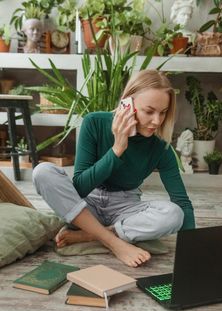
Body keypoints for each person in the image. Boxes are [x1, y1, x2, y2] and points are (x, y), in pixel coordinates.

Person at [33, 70, 195, 268]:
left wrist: (193, 253)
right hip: (86, 206)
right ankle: (114, 242)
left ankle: (90, 235)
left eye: (163, 113)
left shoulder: (160, 147)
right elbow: (80, 188)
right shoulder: (94, 123)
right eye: (149, 111)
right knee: (43, 172)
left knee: (174, 214)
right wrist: (117, 149)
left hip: (125, 208)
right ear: (127, 104)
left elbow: (182, 202)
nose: (157, 121)